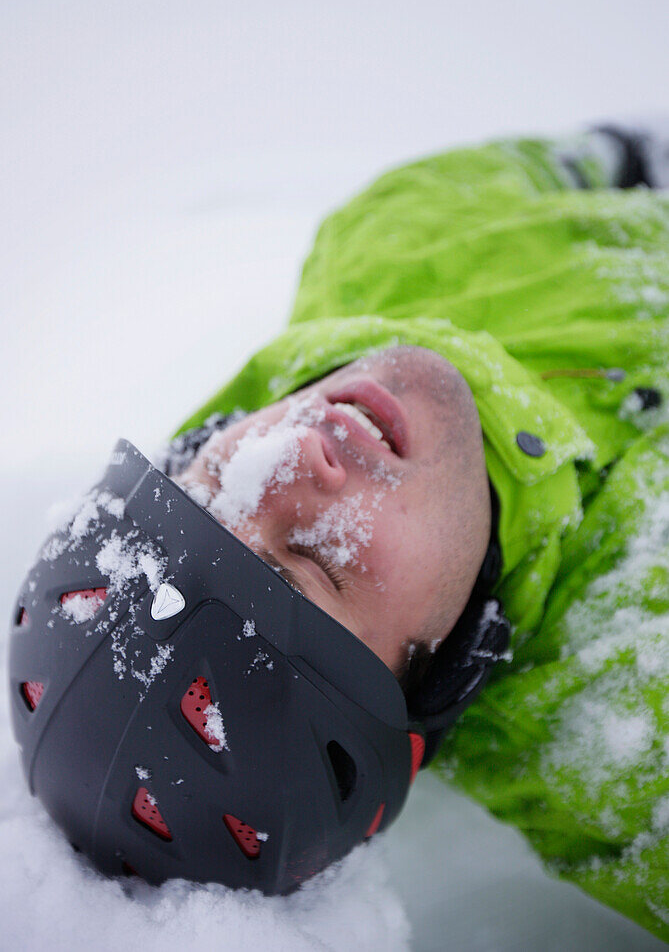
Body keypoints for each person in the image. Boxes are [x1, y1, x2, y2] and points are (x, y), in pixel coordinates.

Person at [163, 122, 668, 939]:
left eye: (216, 480)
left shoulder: (384, 236)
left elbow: (616, 155)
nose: (294, 450)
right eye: (307, 568)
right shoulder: (632, 758)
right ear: (430, 683)